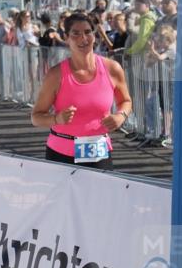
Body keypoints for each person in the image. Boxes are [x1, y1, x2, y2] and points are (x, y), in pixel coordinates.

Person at [31, 12, 132, 169]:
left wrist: (121, 116)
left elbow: (125, 101)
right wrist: (56, 119)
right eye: (76, 33)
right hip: (61, 153)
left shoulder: (112, 69)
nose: (83, 38)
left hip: (99, 152)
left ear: (94, 35)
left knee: (101, 194)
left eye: (87, 32)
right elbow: (36, 117)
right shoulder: (56, 74)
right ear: (66, 38)